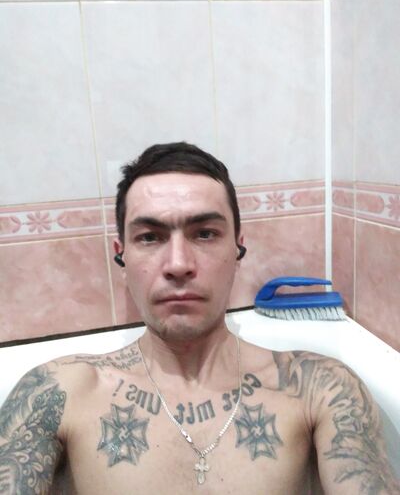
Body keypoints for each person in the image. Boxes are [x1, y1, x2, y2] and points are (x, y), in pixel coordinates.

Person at [0, 142, 399, 494]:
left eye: (205, 233)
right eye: (150, 237)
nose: (178, 264)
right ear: (122, 256)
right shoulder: (57, 393)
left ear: (238, 250)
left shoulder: (319, 389)